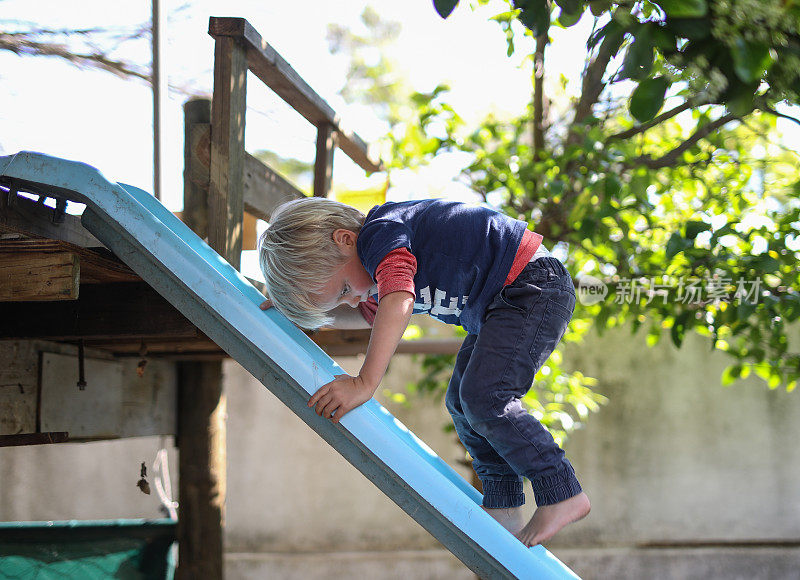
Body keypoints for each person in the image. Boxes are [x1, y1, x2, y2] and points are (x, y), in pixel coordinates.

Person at [258, 196, 590, 546]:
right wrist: (292, 310)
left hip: (531, 285)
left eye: (343, 289)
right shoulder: (369, 274)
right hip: (500, 304)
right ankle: (503, 501)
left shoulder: (381, 234)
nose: (353, 299)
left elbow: (398, 299)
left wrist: (364, 382)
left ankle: (561, 490)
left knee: (485, 397)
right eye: (341, 298)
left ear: (345, 239)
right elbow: (364, 311)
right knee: (463, 403)